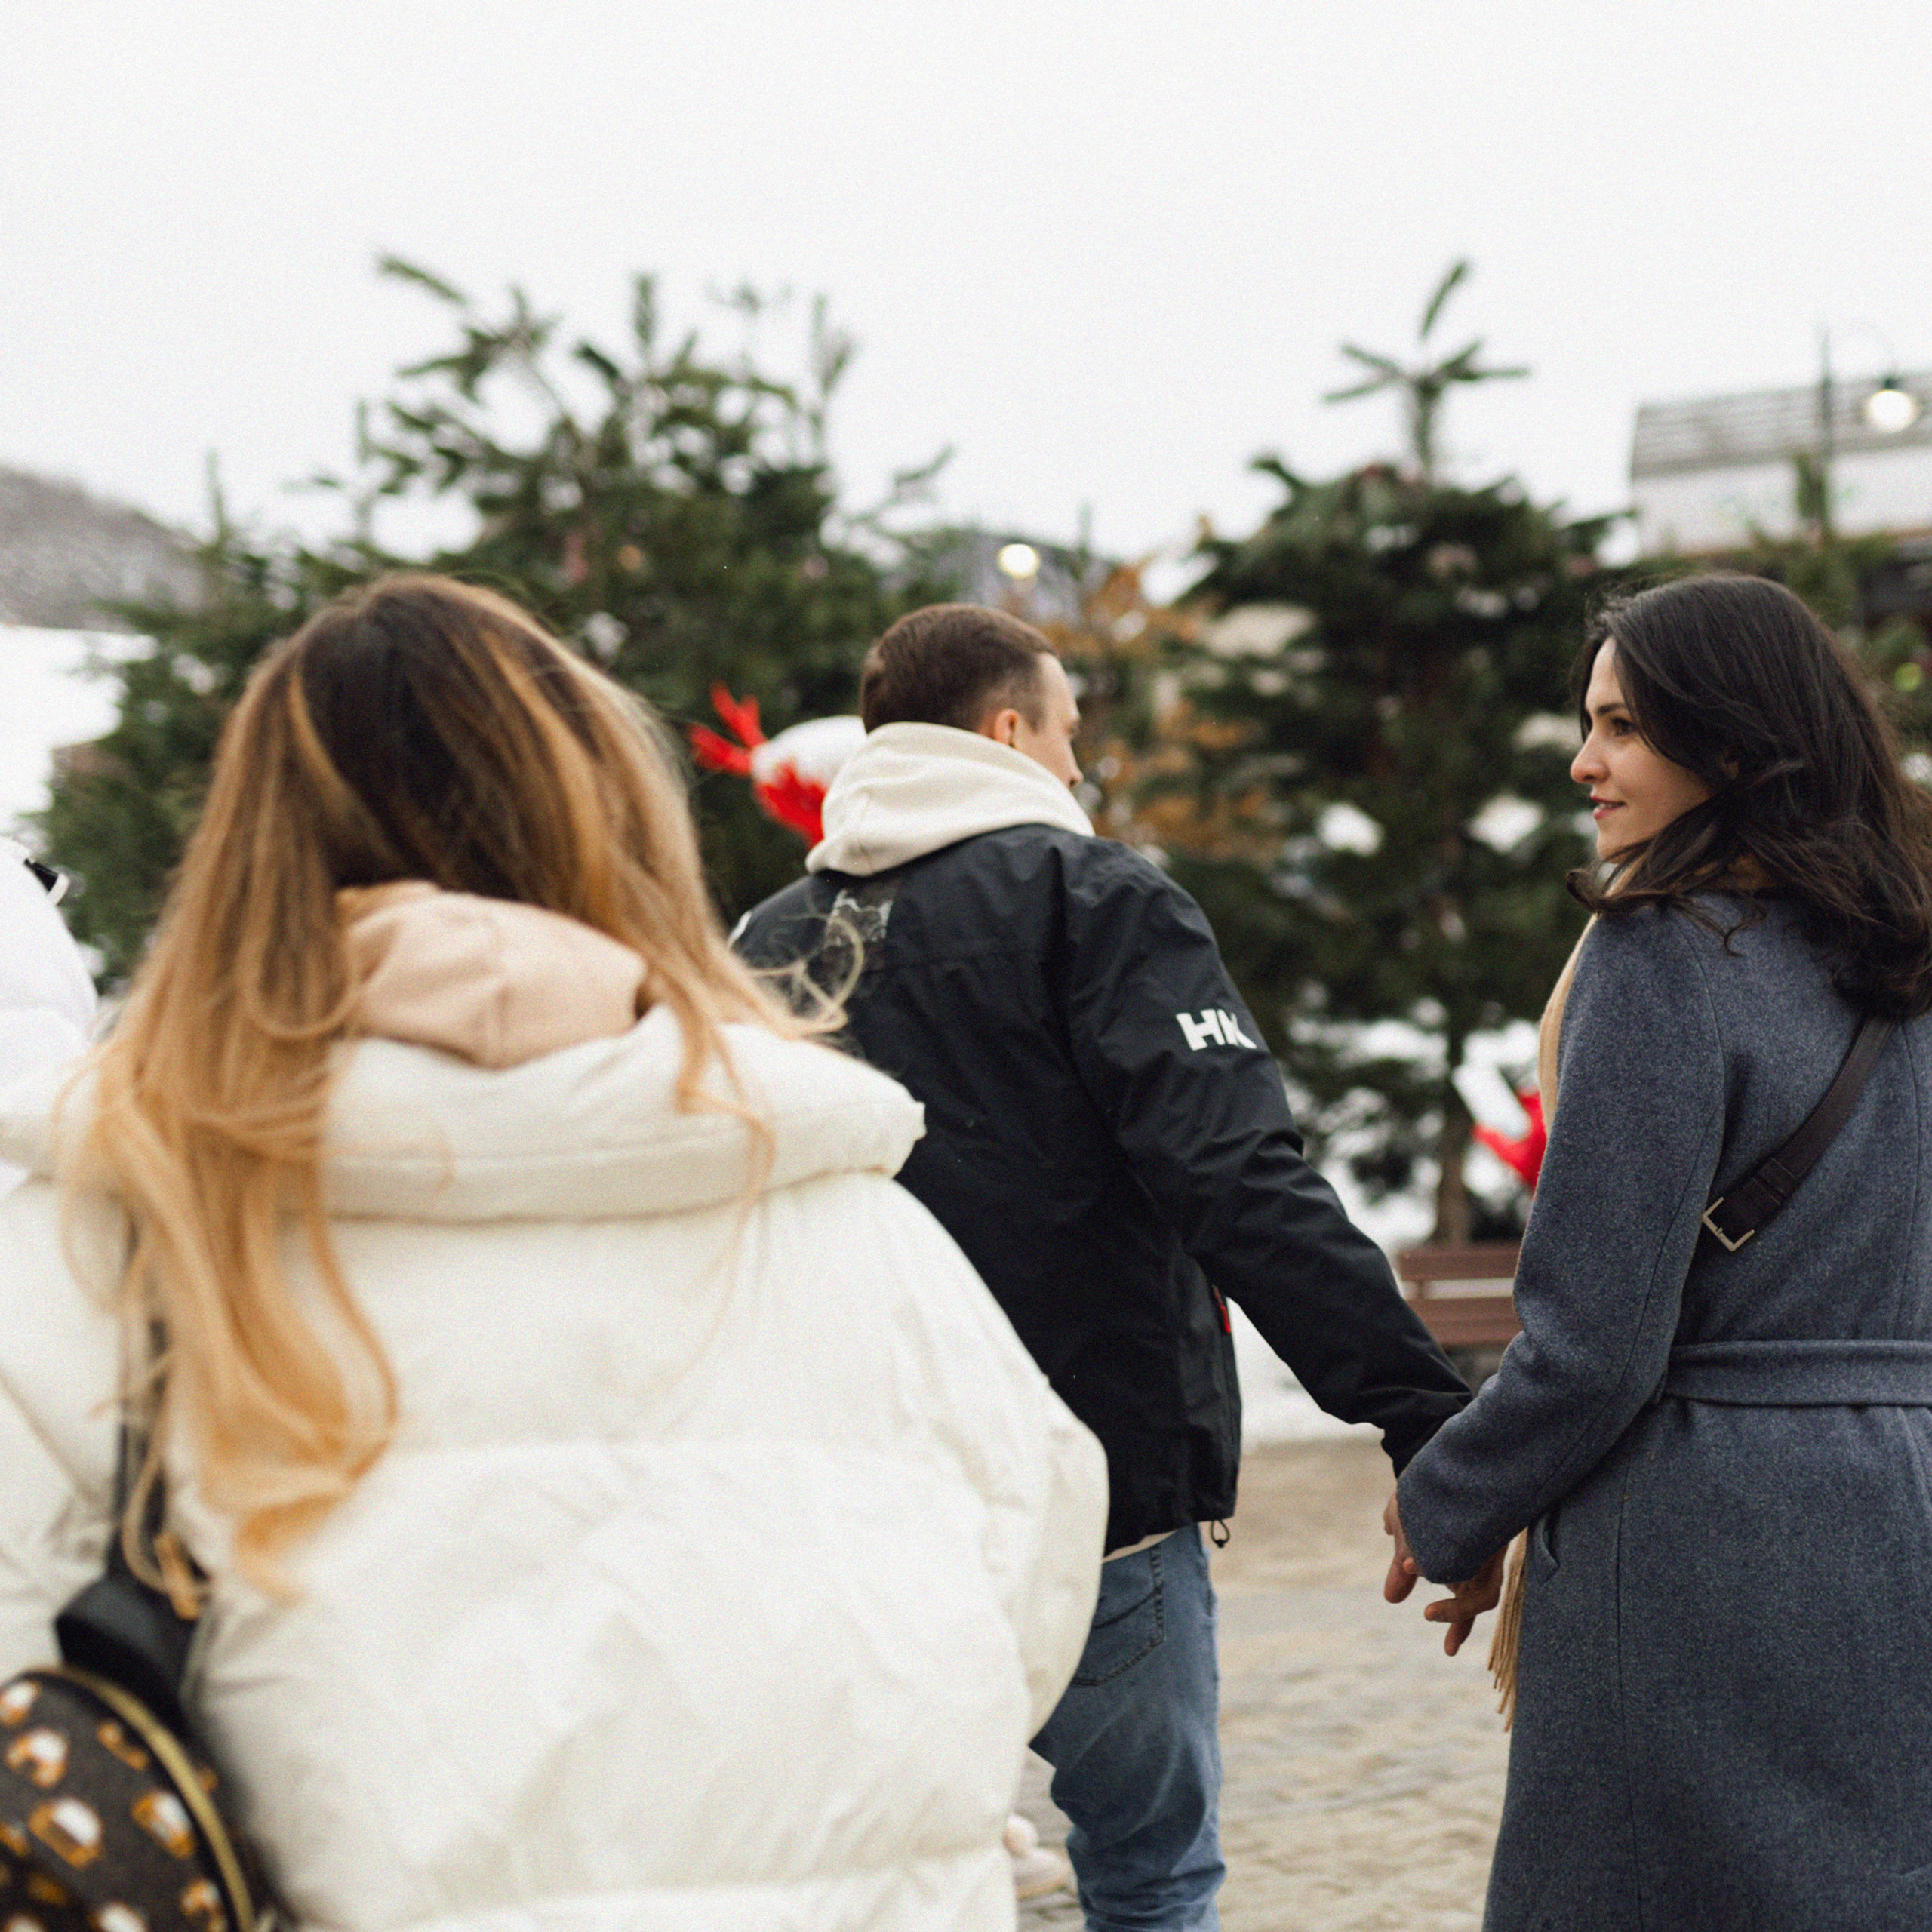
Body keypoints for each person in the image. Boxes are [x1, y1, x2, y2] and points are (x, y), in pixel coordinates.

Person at [0, 576, 1108, 1932]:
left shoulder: (87, 1249)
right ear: (609, 822)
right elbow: (1029, 1590)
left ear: (245, 850)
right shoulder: (852, 1223)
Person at [734, 602, 1471, 1930]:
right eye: (1070, 735)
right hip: (1097, 1485)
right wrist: (1424, 1417)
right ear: (1009, 730)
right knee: (1150, 1875)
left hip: (851, 1497)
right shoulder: (1097, 899)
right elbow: (1241, 1180)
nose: (1078, 768)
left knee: (886, 1883)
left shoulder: (766, 944)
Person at [1386, 573, 1932, 1929]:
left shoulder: (1664, 951)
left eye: (1623, 726)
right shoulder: (1908, 956)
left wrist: (1447, 1505)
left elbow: (1595, 1339)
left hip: (1707, 1535)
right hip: (1906, 1503)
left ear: (1733, 740)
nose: (1584, 761)